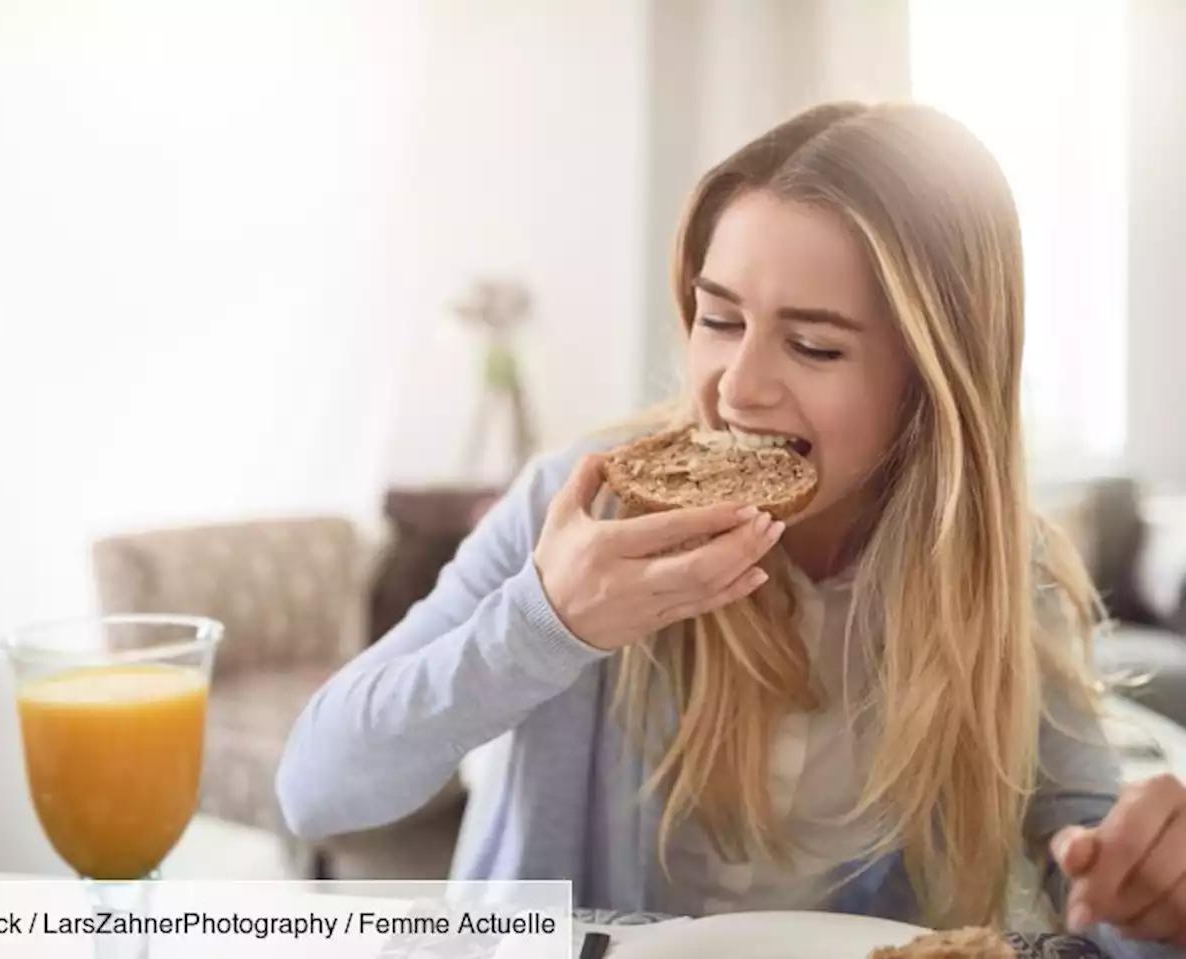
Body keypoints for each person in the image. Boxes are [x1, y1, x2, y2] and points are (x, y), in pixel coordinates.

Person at [276, 101, 1186, 955]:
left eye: (814, 344)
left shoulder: (995, 567)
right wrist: (547, 623)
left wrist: (1145, 883)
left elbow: (1094, 868)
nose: (737, 387)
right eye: (718, 318)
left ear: (933, 376)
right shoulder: (581, 509)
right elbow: (317, 788)